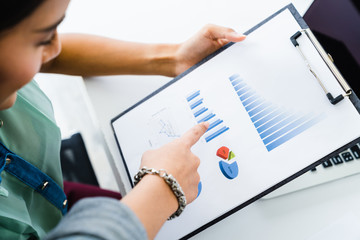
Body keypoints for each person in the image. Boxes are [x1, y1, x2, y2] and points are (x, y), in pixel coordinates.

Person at [0, 0, 246, 239]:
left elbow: (47, 54)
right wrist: (163, 187)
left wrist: (173, 58)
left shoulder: (17, 54)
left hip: (45, 193)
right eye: (43, 37)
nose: (54, 48)